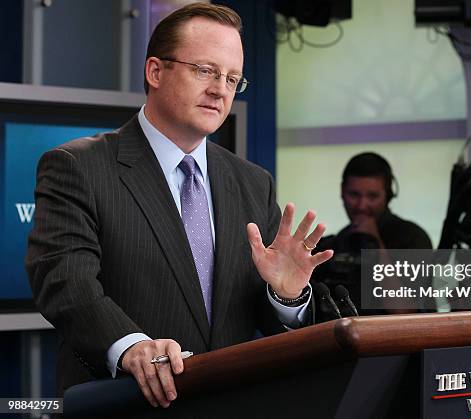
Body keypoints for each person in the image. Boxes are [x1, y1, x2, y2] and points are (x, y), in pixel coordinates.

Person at [25, 3, 333, 409]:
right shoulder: (78, 166)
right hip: (127, 403)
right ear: (155, 71)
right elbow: (64, 280)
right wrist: (132, 346)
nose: (220, 89)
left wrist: (286, 296)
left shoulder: (253, 182)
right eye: (205, 70)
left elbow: (260, 317)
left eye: (232, 79)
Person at [313, 152, 432, 315]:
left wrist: (374, 244)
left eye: (372, 196)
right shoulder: (332, 245)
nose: (362, 205)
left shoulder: (413, 238)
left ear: (388, 195)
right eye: (354, 195)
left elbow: (405, 312)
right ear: (342, 192)